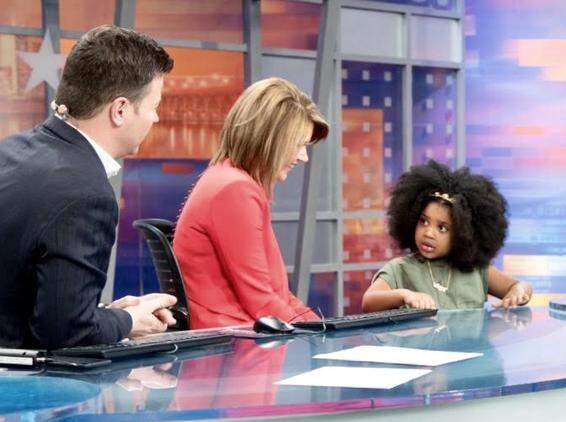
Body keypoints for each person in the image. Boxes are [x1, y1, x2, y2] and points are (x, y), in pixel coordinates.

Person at [0, 25, 176, 349]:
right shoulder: (86, 194)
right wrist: (130, 321)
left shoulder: (11, 150)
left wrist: (106, 314)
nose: (155, 118)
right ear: (120, 110)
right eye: (154, 106)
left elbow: (26, 300)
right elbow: (67, 333)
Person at [174, 78, 329, 328]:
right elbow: (262, 302)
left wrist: (326, 328)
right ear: (269, 138)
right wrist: (323, 338)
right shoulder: (235, 189)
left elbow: (274, 294)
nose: (304, 157)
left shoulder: (226, 179)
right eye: (298, 144)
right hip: (236, 353)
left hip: (240, 343)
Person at [361, 160, 533, 311]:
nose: (428, 232)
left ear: (464, 234)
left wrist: (518, 292)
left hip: (471, 348)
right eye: (423, 221)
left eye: (442, 228)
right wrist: (404, 295)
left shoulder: (477, 270)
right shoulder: (399, 269)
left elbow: (520, 286)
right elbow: (369, 302)